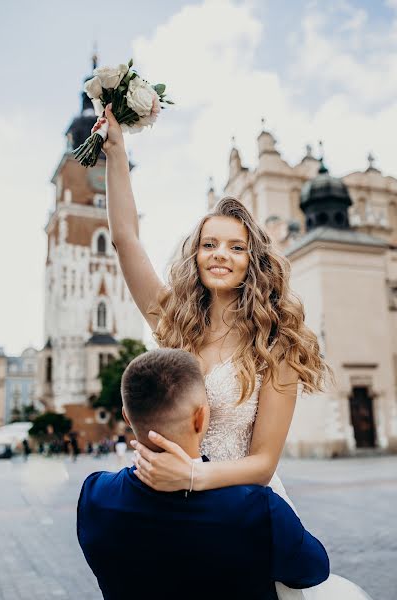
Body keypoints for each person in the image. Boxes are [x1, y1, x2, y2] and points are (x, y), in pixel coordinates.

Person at [100, 106, 372, 599]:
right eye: (209, 244)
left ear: (253, 261)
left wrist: (193, 475)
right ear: (196, 254)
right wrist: (117, 153)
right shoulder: (174, 322)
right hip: (172, 506)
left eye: (235, 247)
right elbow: (125, 240)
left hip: (243, 509)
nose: (220, 254)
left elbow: (264, 462)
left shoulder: (276, 344)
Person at [77, 349, 330, 600]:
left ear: (127, 418)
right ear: (200, 418)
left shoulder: (94, 496)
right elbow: (314, 569)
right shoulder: (257, 510)